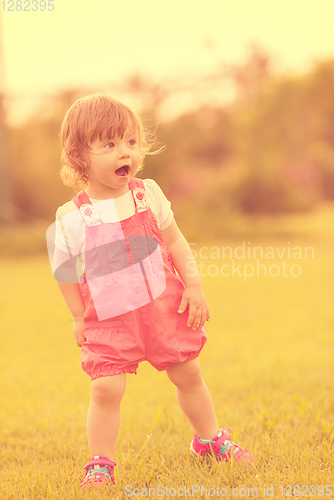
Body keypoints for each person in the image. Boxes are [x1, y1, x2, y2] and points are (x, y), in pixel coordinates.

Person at [51, 94, 253, 490]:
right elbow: (63, 272)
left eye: (130, 141)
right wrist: (78, 316)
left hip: (163, 308)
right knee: (107, 387)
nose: (124, 152)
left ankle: (209, 440)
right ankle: (100, 464)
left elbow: (176, 243)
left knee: (188, 372)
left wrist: (194, 285)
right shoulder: (73, 215)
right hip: (110, 318)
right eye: (108, 144)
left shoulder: (148, 195)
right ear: (79, 156)